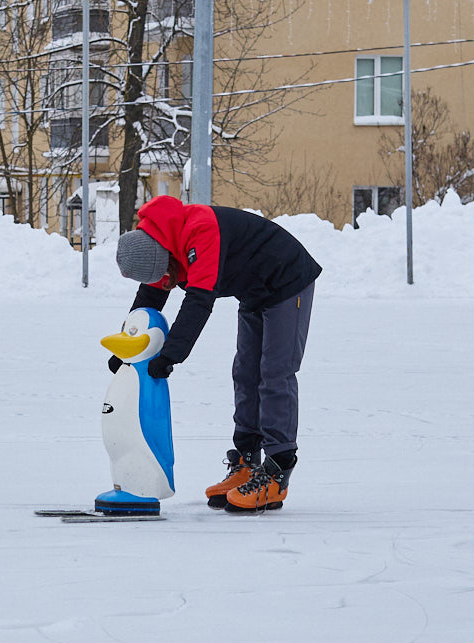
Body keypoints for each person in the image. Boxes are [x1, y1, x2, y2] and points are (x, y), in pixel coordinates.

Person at [112, 195, 321, 513]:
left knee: (275, 373)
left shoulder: (200, 231)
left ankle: (277, 472)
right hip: (254, 289)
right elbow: (150, 294)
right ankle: (247, 463)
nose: (166, 282)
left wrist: (170, 356)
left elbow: (199, 301)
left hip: (287, 278)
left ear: (165, 256)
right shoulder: (159, 241)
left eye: (166, 273)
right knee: (246, 372)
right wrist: (128, 346)